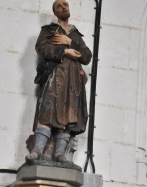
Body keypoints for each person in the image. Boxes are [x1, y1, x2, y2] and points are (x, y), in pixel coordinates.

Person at [26, 0, 92, 163]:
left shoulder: (75, 34)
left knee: (69, 115)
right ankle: (37, 149)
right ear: (55, 12)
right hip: (55, 78)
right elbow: (42, 47)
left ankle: (60, 153)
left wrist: (69, 42)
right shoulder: (49, 31)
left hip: (73, 82)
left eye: (65, 4)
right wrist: (65, 51)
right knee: (48, 111)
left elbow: (87, 56)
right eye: (59, 6)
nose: (63, 7)